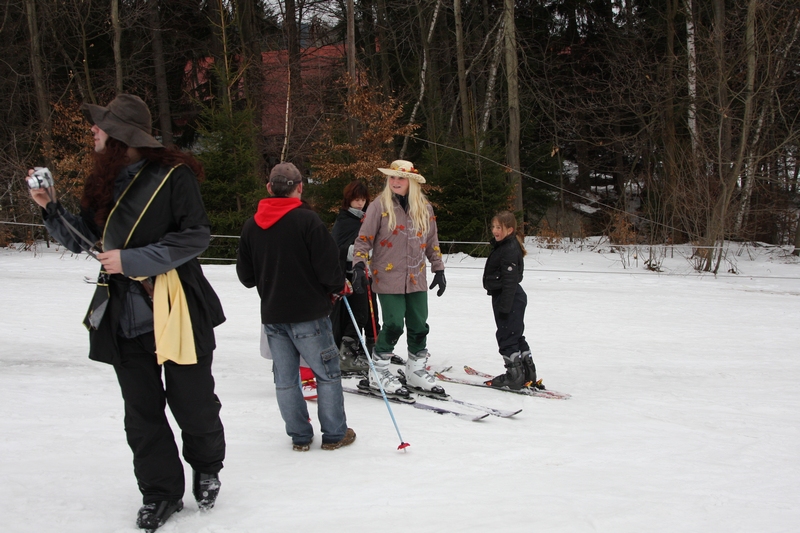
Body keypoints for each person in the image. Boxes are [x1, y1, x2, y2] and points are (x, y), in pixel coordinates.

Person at [28, 94, 226, 531]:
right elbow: (84, 241)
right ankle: (160, 493)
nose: (94, 132)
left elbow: (195, 237)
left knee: (194, 406)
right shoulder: (102, 182)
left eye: (101, 126)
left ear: (120, 135)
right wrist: (49, 205)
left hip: (177, 306)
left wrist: (134, 260)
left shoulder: (174, 177)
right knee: (141, 412)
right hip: (124, 315)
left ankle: (208, 466)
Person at [237, 162, 355, 452]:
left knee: (286, 379)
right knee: (326, 374)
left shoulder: (252, 225)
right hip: (309, 315)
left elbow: (246, 276)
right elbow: (329, 268)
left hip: (274, 315)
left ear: (269, 188)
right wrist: (338, 286)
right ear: (300, 187)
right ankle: (334, 434)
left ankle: (300, 437)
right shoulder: (307, 220)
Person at [351, 160, 446, 397]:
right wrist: (359, 264)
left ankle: (415, 370)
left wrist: (439, 268)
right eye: (392, 178)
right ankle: (379, 370)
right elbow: (363, 239)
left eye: (400, 178)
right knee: (393, 323)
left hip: (416, 276)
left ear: (411, 182)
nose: (395, 182)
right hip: (388, 275)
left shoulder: (425, 208)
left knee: (419, 324)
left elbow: (432, 242)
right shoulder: (378, 206)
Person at [482, 211, 537, 390]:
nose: (495, 231)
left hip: (509, 298)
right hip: (511, 297)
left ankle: (514, 375)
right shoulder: (505, 246)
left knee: (507, 335)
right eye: (494, 227)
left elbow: (510, 280)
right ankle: (527, 372)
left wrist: (504, 307)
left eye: (499, 227)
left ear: (510, 229)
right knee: (515, 334)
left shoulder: (508, 249)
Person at [330, 180, 380, 373]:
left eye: (362, 199)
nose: (359, 203)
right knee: (360, 314)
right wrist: (358, 253)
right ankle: (347, 355)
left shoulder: (368, 219)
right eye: (356, 200)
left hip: (368, 273)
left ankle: (374, 350)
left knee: (372, 314)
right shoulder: (344, 220)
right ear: (348, 200)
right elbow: (336, 248)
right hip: (351, 274)